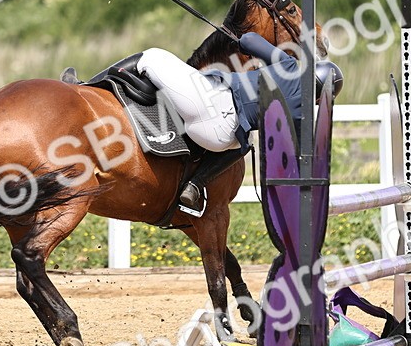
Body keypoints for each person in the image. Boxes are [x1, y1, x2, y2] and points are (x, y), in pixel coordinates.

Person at [136, 31, 343, 216]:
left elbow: (250, 39)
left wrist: (243, 44)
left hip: (207, 102)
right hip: (216, 137)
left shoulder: (288, 65)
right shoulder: (302, 119)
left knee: (152, 56)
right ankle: (195, 184)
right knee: (243, 141)